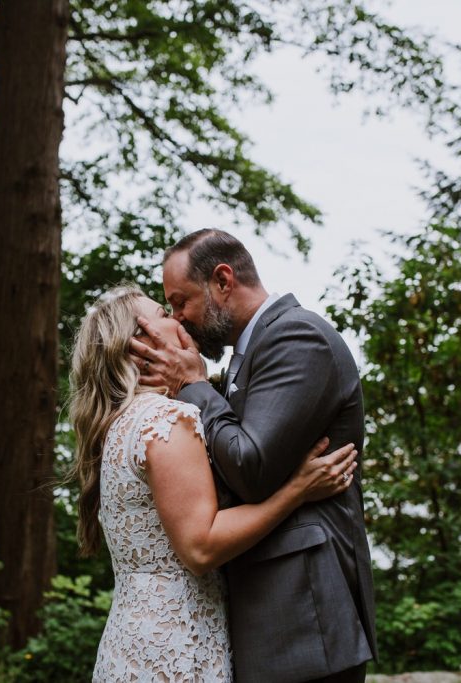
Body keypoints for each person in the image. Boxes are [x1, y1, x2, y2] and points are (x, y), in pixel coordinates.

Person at [69, 285, 359, 682]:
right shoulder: (166, 420)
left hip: (132, 640)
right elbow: (201, 547)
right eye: (162, 312)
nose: (177, 319)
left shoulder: (119, 425)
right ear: (140, 345)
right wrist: (298, 490)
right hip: (179, 645)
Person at [130, 229, 378, 683]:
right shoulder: (249, 352)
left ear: (223, 280)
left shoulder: (297, 336)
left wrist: (195, 386)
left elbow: (251, 468)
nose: (178, 318)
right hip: (274, 611)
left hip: (304, 613)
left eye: (181, 301)